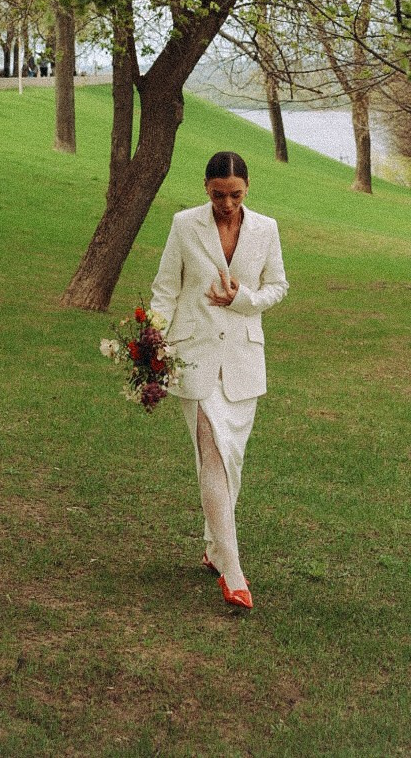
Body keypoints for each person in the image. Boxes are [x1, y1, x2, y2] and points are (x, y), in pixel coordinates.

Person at [150, 150, 288, 612]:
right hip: (194, 355)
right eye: (217, 195)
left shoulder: (266, 229)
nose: (226, 204)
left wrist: (241, 298)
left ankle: (213, 546)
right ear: (205, 189)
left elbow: (278, 287)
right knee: (211, 450)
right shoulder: (184, 224)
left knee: (231, 460)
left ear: (247, 188)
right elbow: (166, 288)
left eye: (235, 195)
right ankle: (233, 571)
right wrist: (153, 339)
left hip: (244, 360)